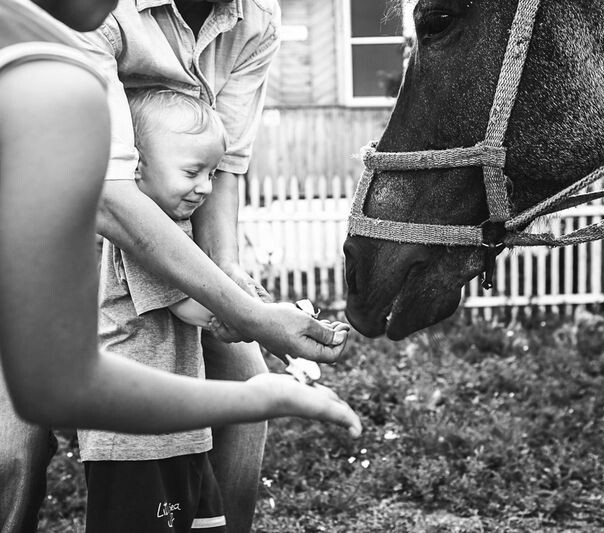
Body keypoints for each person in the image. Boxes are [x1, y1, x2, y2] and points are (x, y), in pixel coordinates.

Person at [0, 2, 361, 532]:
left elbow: (227, 162)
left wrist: (229, 274)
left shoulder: (254, 18)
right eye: (194, 172)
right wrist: (249, 316)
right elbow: (112, 196)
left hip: (140, 250)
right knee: (12, 449)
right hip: (47, 231)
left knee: (244, 408)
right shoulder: (66, 38)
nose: (204, 185)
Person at [79, 88, 351, 532]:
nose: (205, 187)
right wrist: (261, 315)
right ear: (137, 167)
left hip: (180, 429)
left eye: (211, 172)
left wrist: (252, 307)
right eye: (192, 172)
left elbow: (214, 299)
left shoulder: (179, 228)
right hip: (132, 439)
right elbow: (196, 309)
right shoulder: (147, 236)